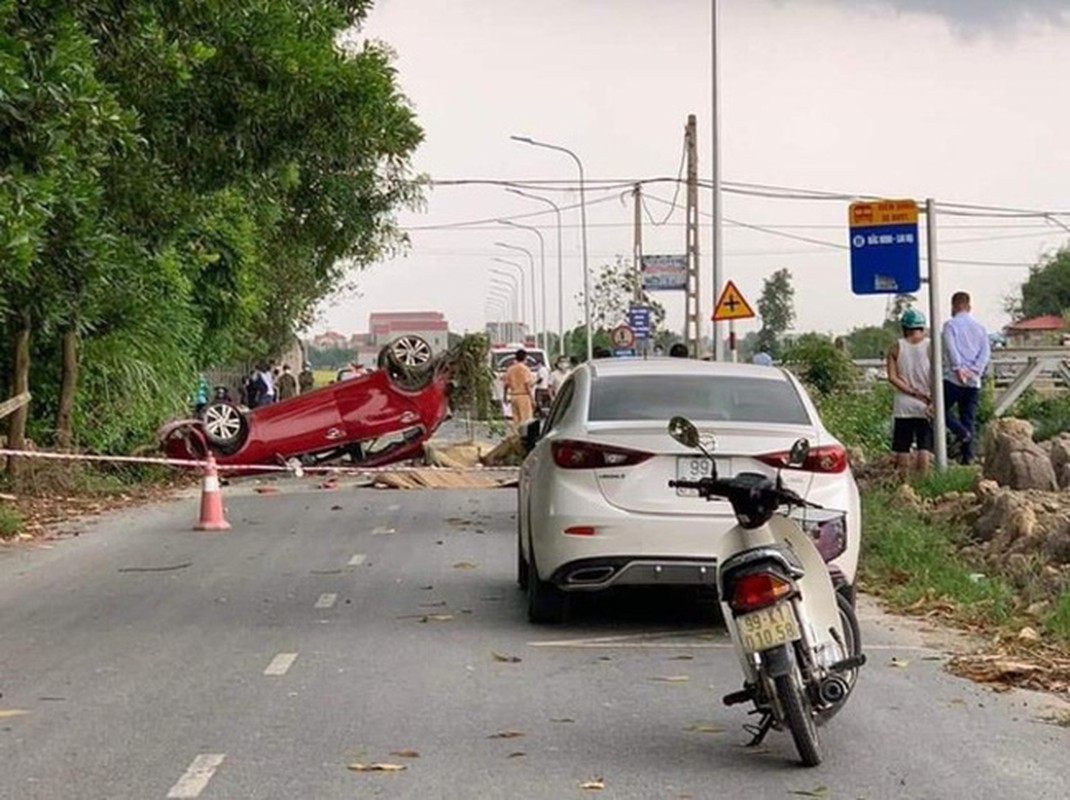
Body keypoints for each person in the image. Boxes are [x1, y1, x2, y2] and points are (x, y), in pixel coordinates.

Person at [942, 291, 990, 464]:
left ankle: (960, 432)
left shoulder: (950, 326)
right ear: (969, 307)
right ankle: (968, 457)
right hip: (973, 381)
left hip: (953, 379)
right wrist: (974, 371)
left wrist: (958, 369)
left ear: (953, 306)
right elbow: (985, 353)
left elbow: (950, 349)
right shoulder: (981, 328)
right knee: (968, 417)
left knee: (938, 410)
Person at [886, 308, 933, 476]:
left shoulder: (895, 348)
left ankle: (903, 484)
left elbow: (892, 377)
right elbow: (937, 374)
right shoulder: (931, 346)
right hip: (926, 402)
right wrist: (929, 398)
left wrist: (912, 392)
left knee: (903, 447)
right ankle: (923, 482)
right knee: (924, 446)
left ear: (904, 327)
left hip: (903, 403)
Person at [502, 348, 535, 435]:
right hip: (523, 396)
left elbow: (506, 385)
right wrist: (532, 399)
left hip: (513, 396)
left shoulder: (510, 369)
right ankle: (524, 437)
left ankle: (516, 437)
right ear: (525, 358)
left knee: (516, 419)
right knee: (526, 419)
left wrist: (504, 397)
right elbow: (527, 385)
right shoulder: (525, 369)